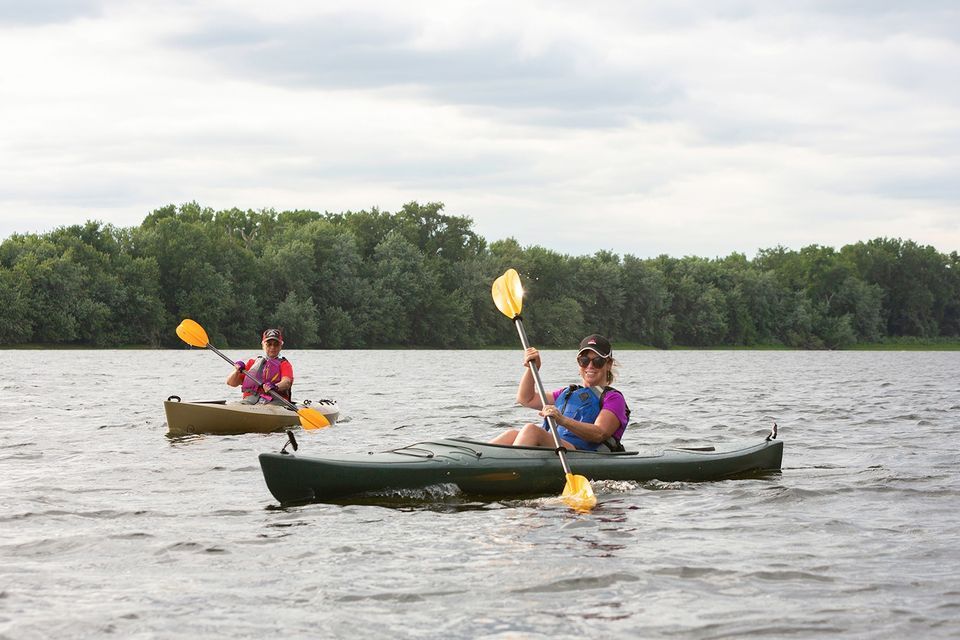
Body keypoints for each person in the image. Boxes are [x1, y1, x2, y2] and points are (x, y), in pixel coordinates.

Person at [491, 334, 630, 451]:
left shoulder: (613, 398)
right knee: (512, 434)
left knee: (531, 430)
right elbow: (526, 399)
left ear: (609, 364)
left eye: (598, 361)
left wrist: (561, 419)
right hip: (556, 451)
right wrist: (532, 368)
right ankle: (477, 463)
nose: (590, 366)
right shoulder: (568, 393)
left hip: (583, 456)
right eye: (584, 360)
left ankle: (510, 471)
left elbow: (599, 433)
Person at [226, 328, 294, 404]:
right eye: (269, 344)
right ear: (263, 345)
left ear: (281, 346)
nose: (272, 347)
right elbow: (231, 383)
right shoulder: (252, 363)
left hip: (276, 401)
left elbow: (286, 382)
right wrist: (237, 371)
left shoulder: (284, 364)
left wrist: (275, 386)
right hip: (250, 400)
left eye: (276, 344)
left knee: (270, 407)